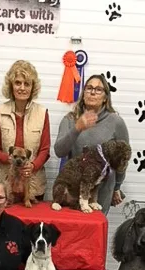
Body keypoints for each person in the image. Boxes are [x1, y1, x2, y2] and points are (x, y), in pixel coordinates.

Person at [54, 73, 130, 214]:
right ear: (83, 94)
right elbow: (59, 151)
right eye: (89, 88)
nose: (93, 92)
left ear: (105, 97)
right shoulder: (70, 119)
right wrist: (77, 128)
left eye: (98, 89)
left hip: (102, 191)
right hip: (73, 190)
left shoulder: (116, 122)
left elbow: (123, 158)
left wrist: (117, 187)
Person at [0, 60, 50, 201]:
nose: (22, 88)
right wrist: (10, 159)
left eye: (27, 84)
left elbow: (45, 150)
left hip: (33, 187)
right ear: (11, 85)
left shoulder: (42, 113)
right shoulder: (0, 111)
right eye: (18, 83)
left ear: (33, 87)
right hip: (5, 187)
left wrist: (32, 166)